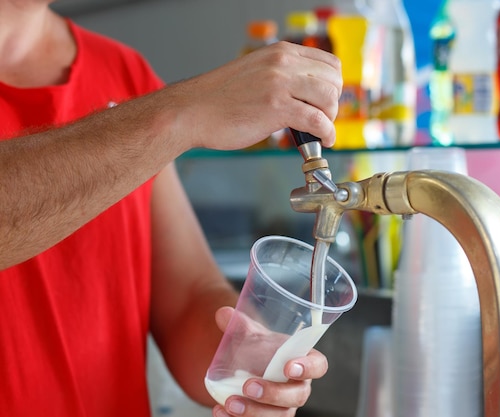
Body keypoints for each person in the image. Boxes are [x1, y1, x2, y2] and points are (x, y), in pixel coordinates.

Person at [0, 1, 341, 417]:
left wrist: (253, 357)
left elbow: (185, 300)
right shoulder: (156, 112)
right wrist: (179, 114)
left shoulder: (123, 72)